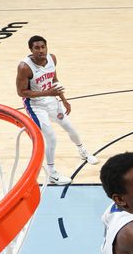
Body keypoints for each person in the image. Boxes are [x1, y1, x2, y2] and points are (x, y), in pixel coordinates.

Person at [16, 35, 99, 186]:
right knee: (51, 138)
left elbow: (54, 80)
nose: (41, 50)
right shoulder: (24, 67)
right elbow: (21, 92)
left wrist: (64, 99)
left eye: (43, 47)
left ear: (47, 47)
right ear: (31, 50)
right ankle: (52, 173)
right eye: (37, 48)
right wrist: (48, 93)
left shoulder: (52, 59)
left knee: (70, 127)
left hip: (52, 100)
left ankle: (82, 151)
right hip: (35, 106)